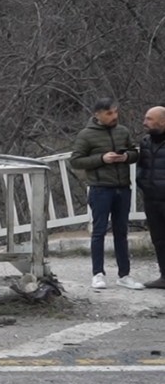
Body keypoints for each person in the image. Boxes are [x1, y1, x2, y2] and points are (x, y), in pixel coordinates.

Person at [69, 98, 143, 290]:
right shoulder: (86, 135)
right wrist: (102, 158)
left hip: (123, 187)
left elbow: (135, 153)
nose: (114, 116)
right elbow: (76, 161)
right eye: (109, 113)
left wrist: (126, 156)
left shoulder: (123, 131)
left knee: (122, 231)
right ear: (97, 114)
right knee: (99, 231)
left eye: (115, 112)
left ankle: (124, 275)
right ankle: (98, 274)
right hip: (100, 188)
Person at [138, 106, 165, 288]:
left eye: (149, 119)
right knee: (159, 239)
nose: (144, 123)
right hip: (151, 199)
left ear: (162, 121)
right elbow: (141, 166)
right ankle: (164, 276)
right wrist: (142, 182)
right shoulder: (146, 142)